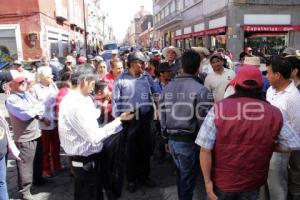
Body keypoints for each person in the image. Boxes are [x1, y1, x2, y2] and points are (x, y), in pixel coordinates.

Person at [196, 66, 300, 200]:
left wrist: (207, 182)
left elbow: (204, 149)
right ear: (260, 86)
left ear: (236, 84)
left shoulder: (219, 108)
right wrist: (268, 145)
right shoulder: (274, 112)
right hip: (253, 182)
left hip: (223, 182)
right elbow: (293, 144)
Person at [58, 64, 133, 200]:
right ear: (85, 81)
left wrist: (104, 108)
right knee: (90, 194)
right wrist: (119, 121)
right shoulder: (75, 104)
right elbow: (94, 136)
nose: (94, 87)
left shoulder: (82, 98)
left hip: (90, 161)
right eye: (92, 83)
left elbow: (92, 115)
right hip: (85, 163)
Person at [159, 50, 213, 200]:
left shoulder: (167, 87)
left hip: (173, 140)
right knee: (187, 180)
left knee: (183, 177)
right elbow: (205, 122)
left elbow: (162, 115)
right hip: (189, 142)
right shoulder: (201, 90)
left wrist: (165, 138)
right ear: (198, 68)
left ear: (181, 66)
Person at [112, 51, 156, 193]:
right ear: (132, 63)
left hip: (146, 117)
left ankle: (144, 176)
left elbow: (155, 92)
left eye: (143, 63)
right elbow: (115, 102)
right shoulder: (121, 79)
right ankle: (131, 179)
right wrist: (119, 119)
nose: (143, 65)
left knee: (146, 149)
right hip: (129, 120)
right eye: (141, 63)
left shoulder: (146, 77)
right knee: (130, 151)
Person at [5, 70, 48, 200]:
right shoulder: (11, 99)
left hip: (35, 133)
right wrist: (35, 109)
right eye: (20, 82)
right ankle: (25, 191)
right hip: (24, 137)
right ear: (11, 85)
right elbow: (25, 115)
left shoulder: (26, 95)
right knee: (25, 166)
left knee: (37, 161)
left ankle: (38, 180)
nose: (24, 83)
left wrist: (34, 109)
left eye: (24, 81)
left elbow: (40, 107)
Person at [266, 56, 300, 200]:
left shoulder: (293, 97)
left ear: (277, 75)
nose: (266, 76)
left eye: (268, 73)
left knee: (278, 183)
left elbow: (296, 128)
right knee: (269, 180)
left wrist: (282, 147)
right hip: (268, 144)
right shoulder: (270, 90)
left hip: (280, 148)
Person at [32, 66, 61, 178]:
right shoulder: (35, 89)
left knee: (56, 145)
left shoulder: (53, 86)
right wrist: (42, 118)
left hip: (55, 120)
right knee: (45, 149)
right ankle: (46, 169)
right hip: (43, 122)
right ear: (43, 77)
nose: (52, 77)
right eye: (49, 76)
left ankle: (57, 164)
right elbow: (33, 107)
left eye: (51, 75)